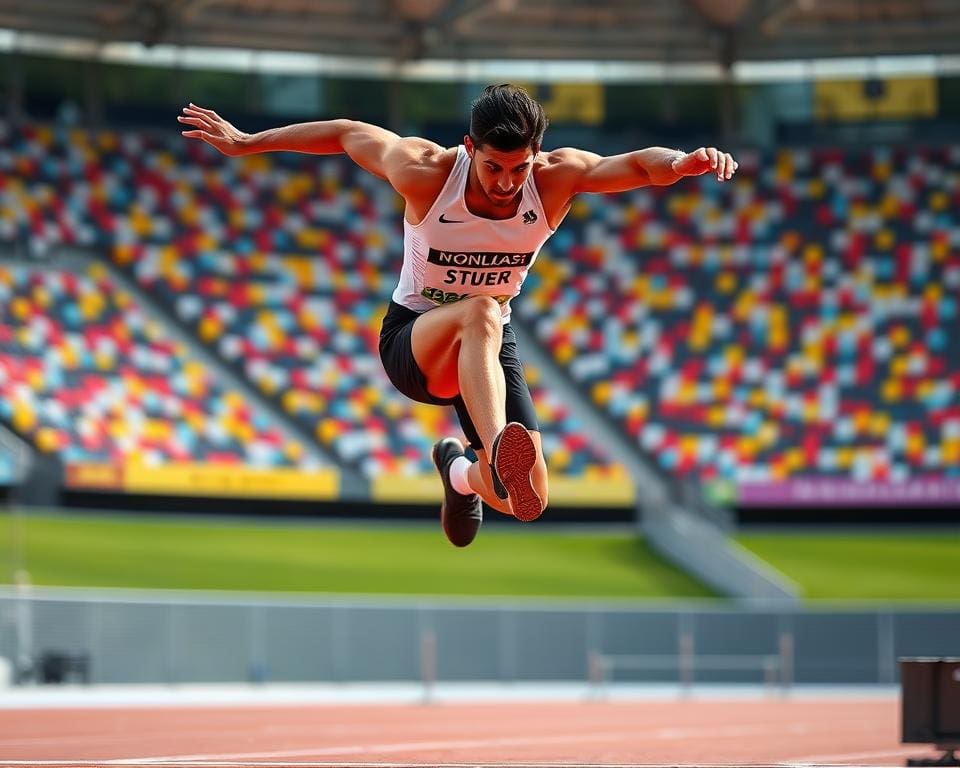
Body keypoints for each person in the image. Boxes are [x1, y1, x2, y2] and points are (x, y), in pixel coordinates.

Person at [179, 84, 738, 547]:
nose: (506, 184)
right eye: (494, 167)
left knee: (529, 501)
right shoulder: (427, 173)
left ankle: (462, 474)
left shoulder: (552, 180)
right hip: (413, 343)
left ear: (536, 155)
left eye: (518, 168)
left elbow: (636, 167)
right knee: (482, 312)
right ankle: (497, 449)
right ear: (470, 148)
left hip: (488, 352)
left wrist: (684, 162)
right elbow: (349, 133)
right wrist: (250, 142)